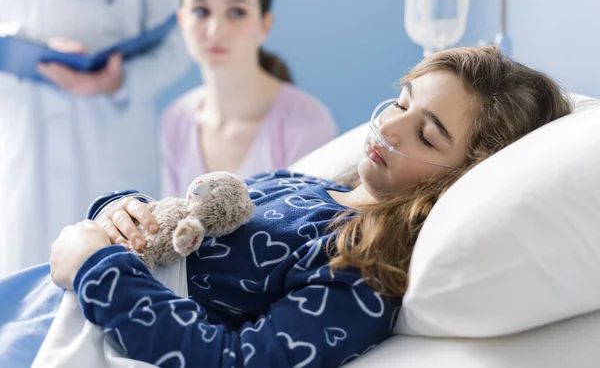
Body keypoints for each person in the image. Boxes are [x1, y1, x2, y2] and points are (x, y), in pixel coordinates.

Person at [0, 46, 571, 367]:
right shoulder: (300, 185)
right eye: (401, 101)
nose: (389, 125)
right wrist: (118, 211)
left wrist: (97, 270)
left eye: (427, 136)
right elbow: (185, 218)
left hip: (84, 319)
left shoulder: (361, 272)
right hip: (38, 298)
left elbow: (234, 361)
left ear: (463, 179)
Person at [0, 0, 188, 278]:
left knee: (114, 285)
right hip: (24, 140)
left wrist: (119, 81)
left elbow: (176, 43)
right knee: (24, 293)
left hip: (108, 137)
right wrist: (26, 42)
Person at [161, 0, 337, 198]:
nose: (215, 31)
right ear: (182, 21)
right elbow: (171, 222)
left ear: (264, 25)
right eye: (201, 11)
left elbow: (309, 230)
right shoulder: (176, 119)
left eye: (236, 12)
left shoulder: (307, 121)